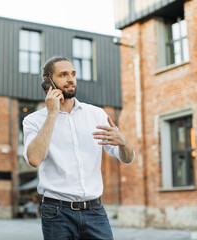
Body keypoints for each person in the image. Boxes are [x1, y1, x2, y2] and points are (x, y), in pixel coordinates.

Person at [23, 56, 134, 240]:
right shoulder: (33, 121)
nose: (70, 79)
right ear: (47, 82)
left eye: (73, 74)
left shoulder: (96, 115)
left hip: (94, 211)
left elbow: (128, 158)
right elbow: (34, 159)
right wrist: (52, 113)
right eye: (63, 75)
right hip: (57, 214)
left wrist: (124, 142)